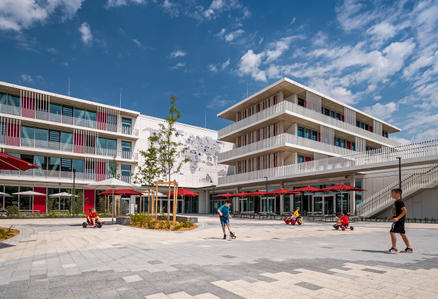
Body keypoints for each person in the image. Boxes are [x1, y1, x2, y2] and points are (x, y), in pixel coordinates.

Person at [387, 188, 413, 253]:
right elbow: (397, 212)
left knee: (392, 232)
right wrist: (392, 217)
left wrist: (397, 218)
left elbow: (405, 210)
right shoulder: (397, 202)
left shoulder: (399, 202)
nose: (391, 195)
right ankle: (409, 248)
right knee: (402, 234)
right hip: (400, 220)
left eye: (392, 193)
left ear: (398, 193)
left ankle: (394, 248)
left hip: (398, 220)